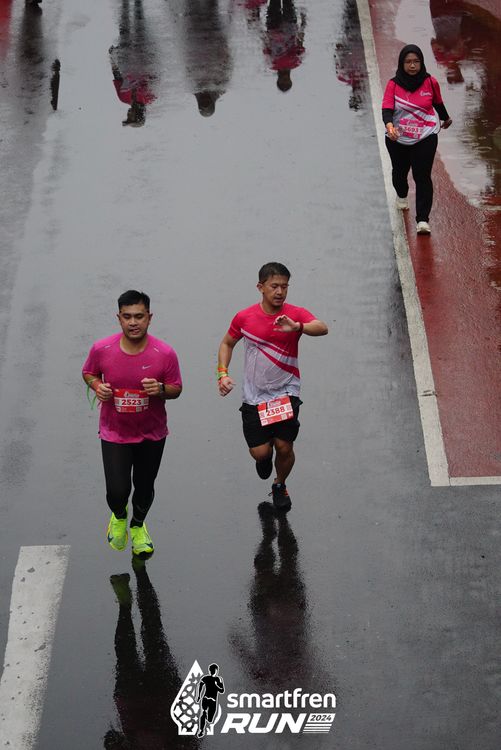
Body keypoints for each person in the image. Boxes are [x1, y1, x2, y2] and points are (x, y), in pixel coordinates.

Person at [217, 262, 328, 511]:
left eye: (284, 287)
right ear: (260, 287)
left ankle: (280, 484)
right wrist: (222, 374)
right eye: (274, 286)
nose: (280, 292)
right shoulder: (244, 317)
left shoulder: (294, 314)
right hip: (254, 397)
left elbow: (322, 328)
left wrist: (298, 327)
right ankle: (265, 459)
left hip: (286, 392)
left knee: (284, 446)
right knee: (261, 453)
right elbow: (227, 343)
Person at [82, 290, 182, 556]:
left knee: (144, 487)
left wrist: (160, 389)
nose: (133, 322)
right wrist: (97, 386)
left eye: (139, 316)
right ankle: (118, 515)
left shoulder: (165, 353)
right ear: (119, 318)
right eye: (127, 317)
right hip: (115, 432)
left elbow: (176, 388)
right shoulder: (102, 349)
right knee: (117, 491)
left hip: (152, 433)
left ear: (149, 317)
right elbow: (88, 372)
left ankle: (137, 526)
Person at [382, 44, 452, 235]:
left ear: (421, 63)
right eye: (408, 62)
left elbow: (438, 103)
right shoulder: (393, 85)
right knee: (399, 173)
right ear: (401, 64)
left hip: (425, 136)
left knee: (422, 176)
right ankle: (401, 195)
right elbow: (387, 110)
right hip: (398, 138)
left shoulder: (430, 82)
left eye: (416, 62)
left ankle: (422, 220)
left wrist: (446, 118)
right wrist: (390, 127)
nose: (412, 65)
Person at [196, 664, 225, 738]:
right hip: (206, 699)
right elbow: (200, 685)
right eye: (212, 670)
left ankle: (206, 717)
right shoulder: (206, 678)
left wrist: (216, 685)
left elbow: (222, 691)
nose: (213, 672)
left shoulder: (218, 679)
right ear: (210, 671)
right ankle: (201, 730)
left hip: (213, 701)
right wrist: (198, 695)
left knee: (210, 720)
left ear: (216, 671)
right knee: (203, 712)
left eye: (214, 670)